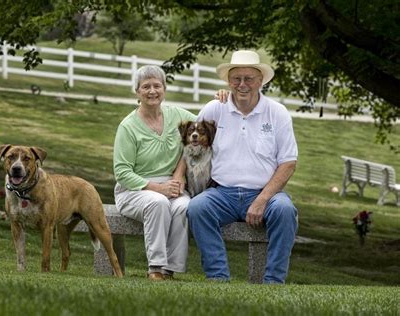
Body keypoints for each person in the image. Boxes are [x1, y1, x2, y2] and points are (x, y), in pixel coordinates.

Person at [187, 50, 298, 284]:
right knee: (197, 208)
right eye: (236, 79)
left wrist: (262, 200)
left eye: (249, 78)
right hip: (222, 193)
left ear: (260, 81)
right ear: (229, 81)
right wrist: (178, 178)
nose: (242, 84)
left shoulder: (277, 113)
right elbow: (190, 144)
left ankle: (274, 283)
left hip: (264, 194)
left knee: (285, 210)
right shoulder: (214, 109)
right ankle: (218, 278)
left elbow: (288, 162)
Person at [113, 65, 196, 281]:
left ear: (164, 89)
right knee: (157, 203)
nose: (152, 91)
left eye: (157, 86)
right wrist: (158, 188)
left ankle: (170, 270)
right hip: (134, 190)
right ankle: (156, 268)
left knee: (184, 206)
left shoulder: (178, 116)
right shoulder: (128, 126)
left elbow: (204, 126)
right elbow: (122, 172)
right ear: (137, 92)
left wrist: (179, 175)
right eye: (146, 86)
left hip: (172, 186)